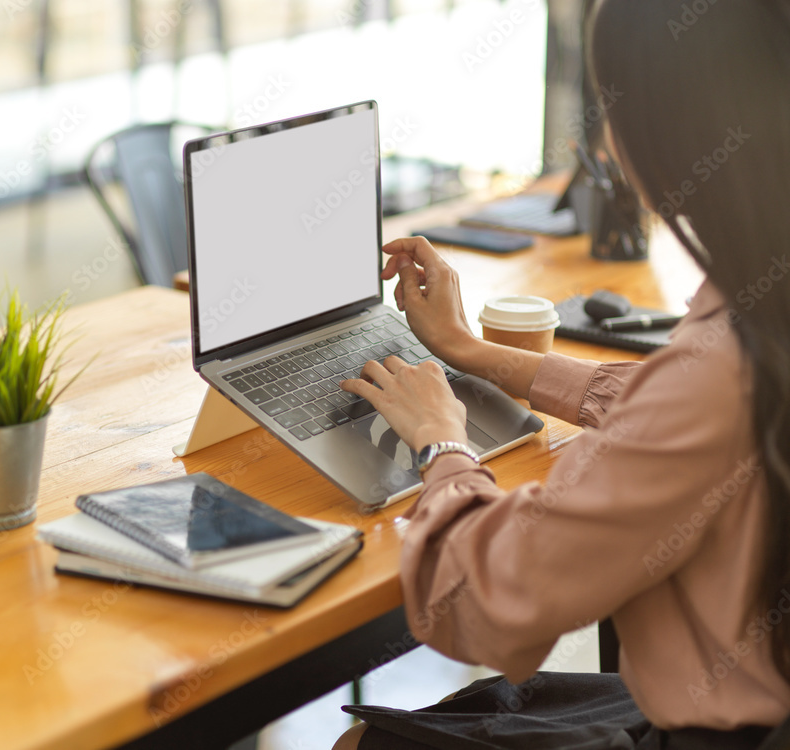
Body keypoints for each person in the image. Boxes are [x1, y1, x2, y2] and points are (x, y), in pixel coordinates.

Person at [332, 0, 790, 748]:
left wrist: (442, 443)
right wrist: (476, 353)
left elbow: (481, 604)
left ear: (664, 136)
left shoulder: (717, 374)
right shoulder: (759, 318)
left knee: (365, 743)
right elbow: (677, 415)